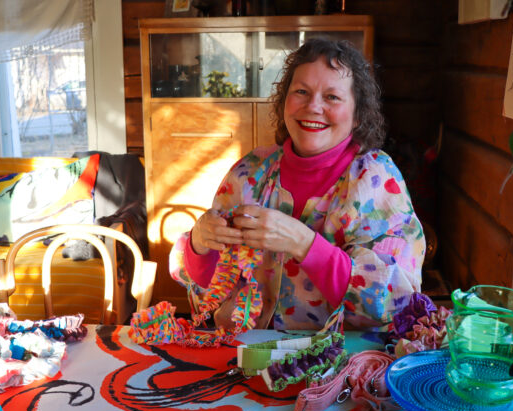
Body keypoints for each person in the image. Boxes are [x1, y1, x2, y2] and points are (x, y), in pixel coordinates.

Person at [170, 38, 426, 331]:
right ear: (284, 102)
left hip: (342, 356)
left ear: (357, 115)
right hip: (248, 350)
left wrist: (303, 243)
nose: (313, 106)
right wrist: (200, 244)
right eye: (301, 92)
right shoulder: (250, 171)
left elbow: (394, 303)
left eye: (332, 97)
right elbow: (212, 289)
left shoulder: (377, 181)